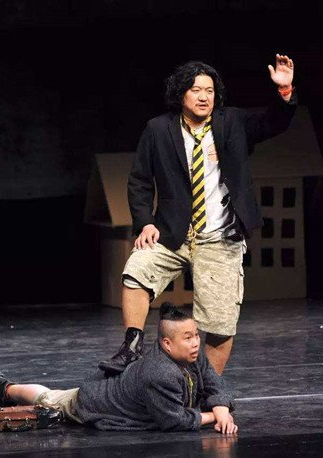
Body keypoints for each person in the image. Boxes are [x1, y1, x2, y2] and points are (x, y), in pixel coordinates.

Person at [99, 53, 297, 376]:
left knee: (220, 324)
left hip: (220, 236)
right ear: (181, 94)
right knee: (136, 269)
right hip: (172, 233)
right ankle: (131, 347)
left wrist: (285, 91)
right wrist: (145, 223)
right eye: (196, 90)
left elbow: (273, 122)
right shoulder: (158, 129)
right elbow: (139, 181)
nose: (204, 96)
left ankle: (204, 386)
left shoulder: (232, 122)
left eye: (209, 90)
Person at [0, 303, 237, 433]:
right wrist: (216, 416)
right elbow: (174, 421)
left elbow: (214, 382)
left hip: (117, 391)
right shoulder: (159, 372)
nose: (196, 343)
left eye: (196, 335)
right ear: (167, 344)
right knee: (51, 399)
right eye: (188, 337)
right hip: (95, 403)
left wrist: (221, 408)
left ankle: (7, 390)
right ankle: (4, 389)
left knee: (54, 397)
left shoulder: (192, 355)